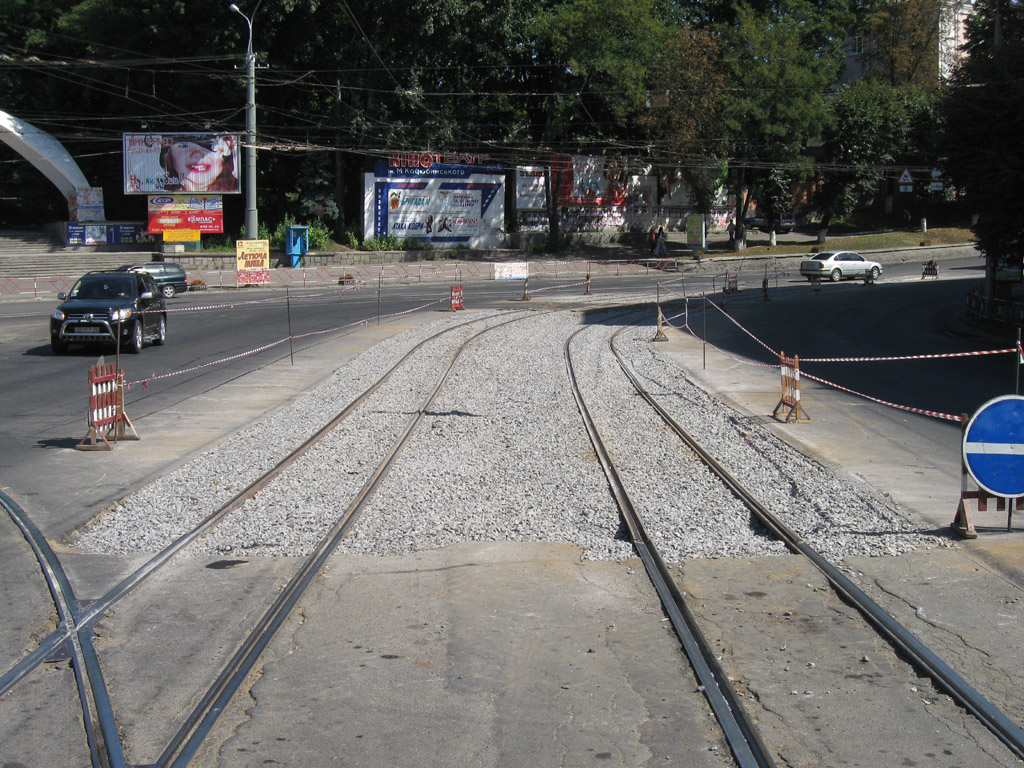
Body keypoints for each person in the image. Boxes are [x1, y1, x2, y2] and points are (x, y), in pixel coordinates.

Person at [159, 135, 237, 192]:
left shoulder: (238, 190)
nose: (197, 154)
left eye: (208, 147)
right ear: (169, 156)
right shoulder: (162, 197)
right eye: (184, 146)